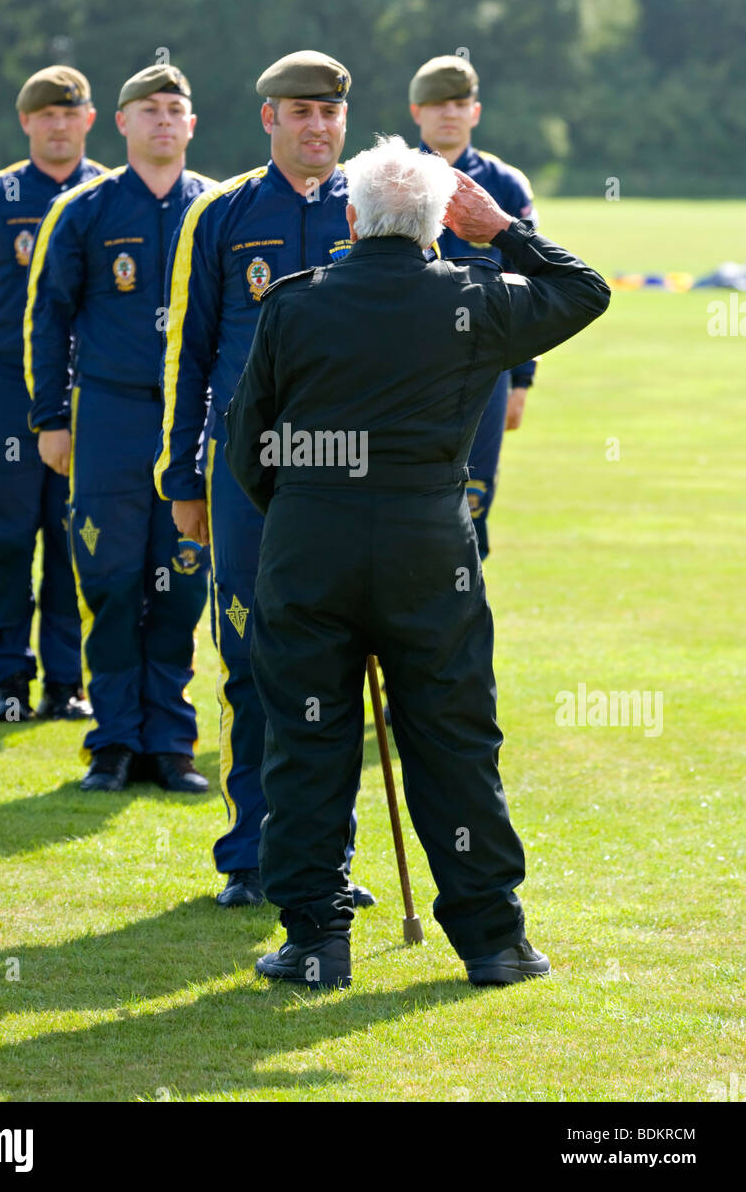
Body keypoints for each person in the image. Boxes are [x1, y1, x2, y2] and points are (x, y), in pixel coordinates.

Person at [224, 136, 610, 989]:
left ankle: (317, 941)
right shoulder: (477, 298)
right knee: (453, 739)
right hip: (430, 549)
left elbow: (247, 443)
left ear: (352, 218)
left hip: (310, 541)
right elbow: (586, 291)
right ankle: (493, 941)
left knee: (309, 741)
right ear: (440, 226)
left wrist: (299, 516)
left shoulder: (295, 303)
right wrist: (504, 229)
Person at [155, 50, 374, 909]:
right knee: (247, 656)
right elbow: (190, 353)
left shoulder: (378, 205)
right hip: (247, 477)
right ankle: (248, 853)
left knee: (338, 665)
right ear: (269, 119)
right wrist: (183, 477)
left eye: (330, 113)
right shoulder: (220, 213)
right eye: (301, 112)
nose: (318, 127)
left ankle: (328, 862)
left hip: (351, 476)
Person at [24, 64, 215, 792]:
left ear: (192, 126)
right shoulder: (84, 210)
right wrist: (51, 419)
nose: (164, 120)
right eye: (150, 109)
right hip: (107, 417)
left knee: (182, 580)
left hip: (188, 420)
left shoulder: (217, 208)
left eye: (177, 109)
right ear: (123, 123)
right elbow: (48, 318)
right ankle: (112, 742)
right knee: (108, 577)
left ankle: (170, 743)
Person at [0, 65, 106, 722]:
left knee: (73, 540)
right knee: (6, 538)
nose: (59, 125)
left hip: (90, 392)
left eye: (71, 113)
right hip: (7, 387)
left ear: (90, 120)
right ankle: (8, 680)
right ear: (26, 122)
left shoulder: (107, 196)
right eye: (46, 115)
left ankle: (67, 683)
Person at [410, 54, 537, 559]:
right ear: (416, 111)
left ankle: (459, 623)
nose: (450, 114)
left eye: (460, 104)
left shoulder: (505, 185)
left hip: (485, 366)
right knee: (405, 498)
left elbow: (529, 282)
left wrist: (522, 380)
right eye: (438, 104)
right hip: (406, 363)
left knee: (473, 503)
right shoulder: (386, 177)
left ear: (476, 112)